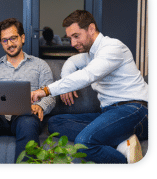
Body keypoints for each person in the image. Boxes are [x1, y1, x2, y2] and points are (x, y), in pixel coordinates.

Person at [31, 10, 148, 164]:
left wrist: (45, 90)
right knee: (54, 123)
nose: (72, 43)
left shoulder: (112, 47)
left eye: (76, 36)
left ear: (91, 29)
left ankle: (129, 164)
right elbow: (71, 62)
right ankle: (120, 142)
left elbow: (87, 75)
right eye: (70, 38)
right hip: (110, 112)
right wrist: (67, 83)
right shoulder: (91, 54)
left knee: (84, 142)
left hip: (135, 110)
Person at [0, 18, 56, 162]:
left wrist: (39, 106)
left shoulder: (40, 65)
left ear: (22, 38)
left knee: (28, 123)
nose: (10, 44)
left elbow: (51, 95)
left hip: (24, 118)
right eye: (5, 40)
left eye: (13, 38)